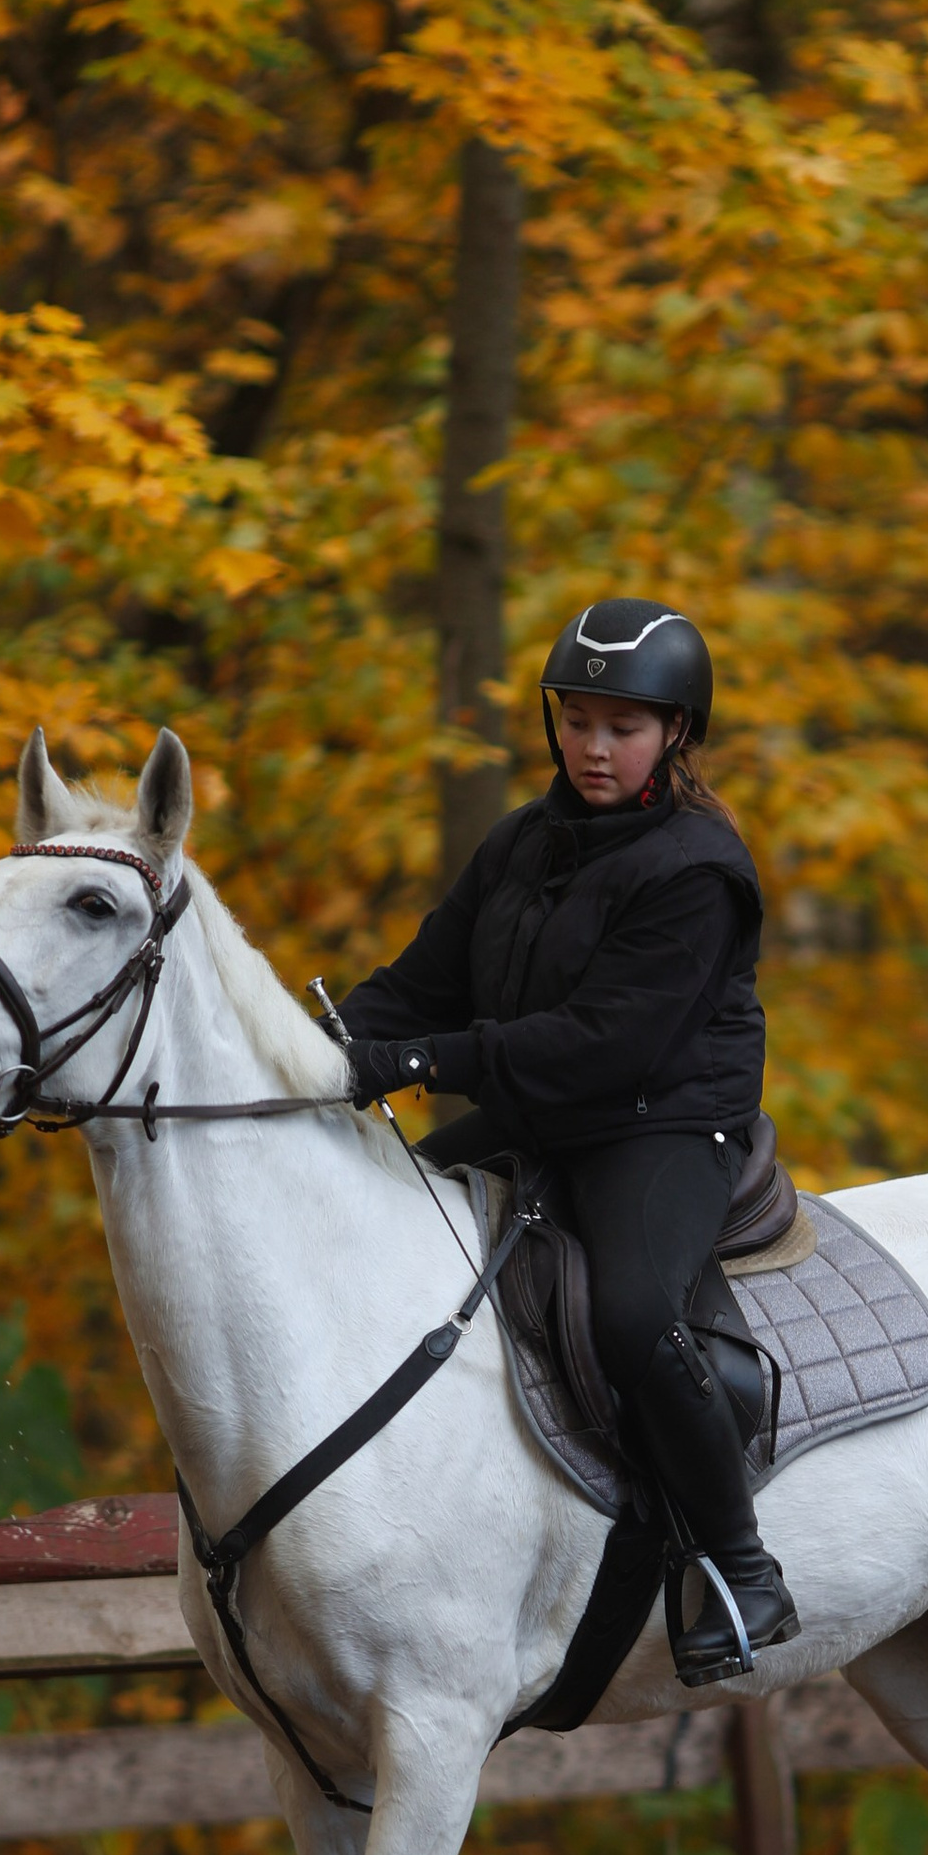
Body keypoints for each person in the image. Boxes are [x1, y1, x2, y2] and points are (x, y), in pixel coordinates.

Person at [337, 597, 799, 1682]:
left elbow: (606, 1046)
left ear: (675, 733)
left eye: (622, 728)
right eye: (577, 721)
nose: (593, 747)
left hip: (661, 1122)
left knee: (638, 1315)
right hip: (539, 1109)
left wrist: (411, 1067)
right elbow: (420, 982)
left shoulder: (698, 869)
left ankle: (738, 1565)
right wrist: (319, 1049)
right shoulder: (521, 841)